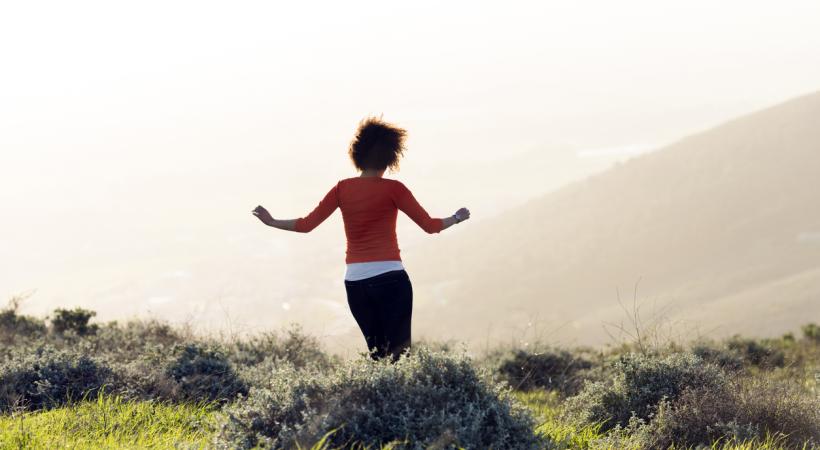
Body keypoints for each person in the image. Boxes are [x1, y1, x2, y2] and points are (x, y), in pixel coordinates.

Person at [252, 117, 470, 362]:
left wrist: (272, 222)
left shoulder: (341, 189)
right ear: (390, 156)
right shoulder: (394, 189)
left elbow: (306, 225)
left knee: (378, 356)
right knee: (400, 357)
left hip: (355, 284)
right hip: (391, 279)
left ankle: (377, 398)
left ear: (358, 154)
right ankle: (399, 400)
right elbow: (430, 226)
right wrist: (457, 217)